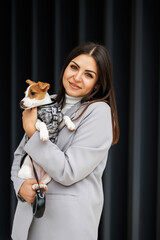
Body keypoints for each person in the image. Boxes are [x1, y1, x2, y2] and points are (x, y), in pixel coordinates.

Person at [11, 42, 119, 240]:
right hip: (28, 220)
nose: (77, 77)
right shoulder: (46, 101)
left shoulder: (99, 112)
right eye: (74, 67)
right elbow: (21, 155)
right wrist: (20, 185)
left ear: (97, 83)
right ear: (66, 67)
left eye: (89, 74)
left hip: (67, 226)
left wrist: (32, 133)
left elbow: (69, 171)